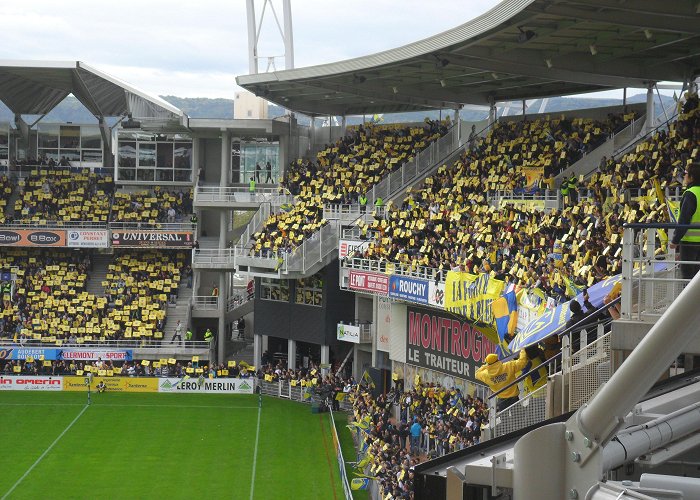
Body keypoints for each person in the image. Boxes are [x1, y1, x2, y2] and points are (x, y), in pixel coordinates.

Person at [670, 162, 700, 280]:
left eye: (686, 174)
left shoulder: (690, 194)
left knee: (688, 278)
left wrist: (675, 240)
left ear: (692, 177)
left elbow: (684, 220)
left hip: (689, 242)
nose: (684, 176)